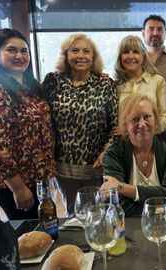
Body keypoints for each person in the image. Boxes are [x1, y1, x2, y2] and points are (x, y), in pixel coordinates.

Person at [0, 28, 56, 219]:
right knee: (27, 237)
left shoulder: (30, 88)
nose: (19, 56)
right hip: (13, 183)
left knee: (45, 231)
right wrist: (18, 187)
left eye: (24, 51)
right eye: (11, 50)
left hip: (37, 178)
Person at [42, 33, 118, 217]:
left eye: (86, 51)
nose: (81, 55)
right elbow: (43, 121)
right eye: (75, 51)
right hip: (63, 166)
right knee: (73, 212)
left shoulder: (105, 84)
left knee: (98, 213)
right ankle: (77, 246)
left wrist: (106, 152)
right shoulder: (53, 81)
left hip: (95, 166)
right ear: (66, 56)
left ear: (93, 57)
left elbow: (115, 126)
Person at [101, 94, 166, 217]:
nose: (142, 124)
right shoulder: (113, 155)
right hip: (127, 229)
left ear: (155, 120)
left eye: (147, 116)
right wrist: (162, 207)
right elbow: (119, 206)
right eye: (135, 119)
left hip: (164, 226)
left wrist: (122, 188)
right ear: (125, 125)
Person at [114, 35, 166, 134]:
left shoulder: (157, 81)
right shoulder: (115, 85)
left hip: (151, 142)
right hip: (121, 144)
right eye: (126, 52)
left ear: (143, 56)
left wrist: (143, 130)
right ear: (120, 57)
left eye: (136, 52)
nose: (131, 56)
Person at [141, 14, 166, 93]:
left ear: (165, 33)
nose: (155, 33)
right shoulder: (136, 59)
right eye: (151, 29)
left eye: (159, 29)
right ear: (143, 33)